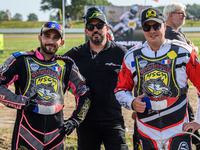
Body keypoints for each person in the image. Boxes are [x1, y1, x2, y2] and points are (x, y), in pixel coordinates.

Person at [114, 7, 200, 149]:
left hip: (177, 127)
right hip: (147, 130)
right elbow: (120, 89)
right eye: (147, 27)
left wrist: (198, 120)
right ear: (142, 29)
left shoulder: (183, 52)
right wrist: (132, 102)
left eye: (156, 26)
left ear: (164, 26)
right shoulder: (132, 56)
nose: (152, 31)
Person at [0, 21, 92, 149]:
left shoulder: (67, 65)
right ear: (40, 38)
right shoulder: (20, 60)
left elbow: (84, 93)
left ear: (62, 42)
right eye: (47, 36)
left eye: (56, 38)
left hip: (56, 135)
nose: (51, 41)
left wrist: (76, 120)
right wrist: (22, 102)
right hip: (26, 133)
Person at [64, 7, 128, 150]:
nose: (95, 30)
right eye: (91, 27)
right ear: (86, 31)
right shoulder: (75, 54)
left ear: (107, 28)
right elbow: (55, 70)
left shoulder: (121, 52)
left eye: (99, 26)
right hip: (86, 122)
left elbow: (135, 80)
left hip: (113, 120)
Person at [163, 2, 200, 148]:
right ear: (170, 15)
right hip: (176, 89)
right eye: (181, 13)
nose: (184, 15)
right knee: (189, 125)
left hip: (172, 87)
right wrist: (192, 49)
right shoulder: (172, 34)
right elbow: (190, 55)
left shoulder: (175, 32)